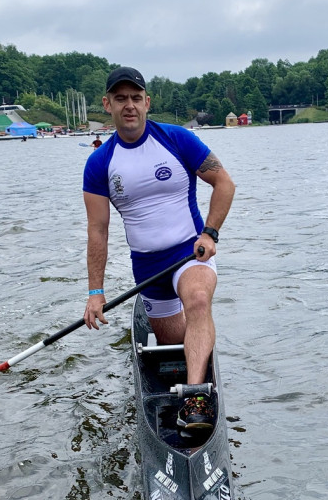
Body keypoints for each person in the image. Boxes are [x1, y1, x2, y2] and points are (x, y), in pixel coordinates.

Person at [82, 66, 235, 431]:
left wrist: (210, 234)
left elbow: (224, 183)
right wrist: (95, 292)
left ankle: (197, 397)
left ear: (148, 102)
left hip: (189, 252)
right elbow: (98, 231)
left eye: (136, 98)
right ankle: (200, 342)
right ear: (107, 105)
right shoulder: (99, 163)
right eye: (120, 99)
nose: (129, 106)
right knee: (172, 343)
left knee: (198, 299)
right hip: (148, 267)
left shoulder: (177, 139)